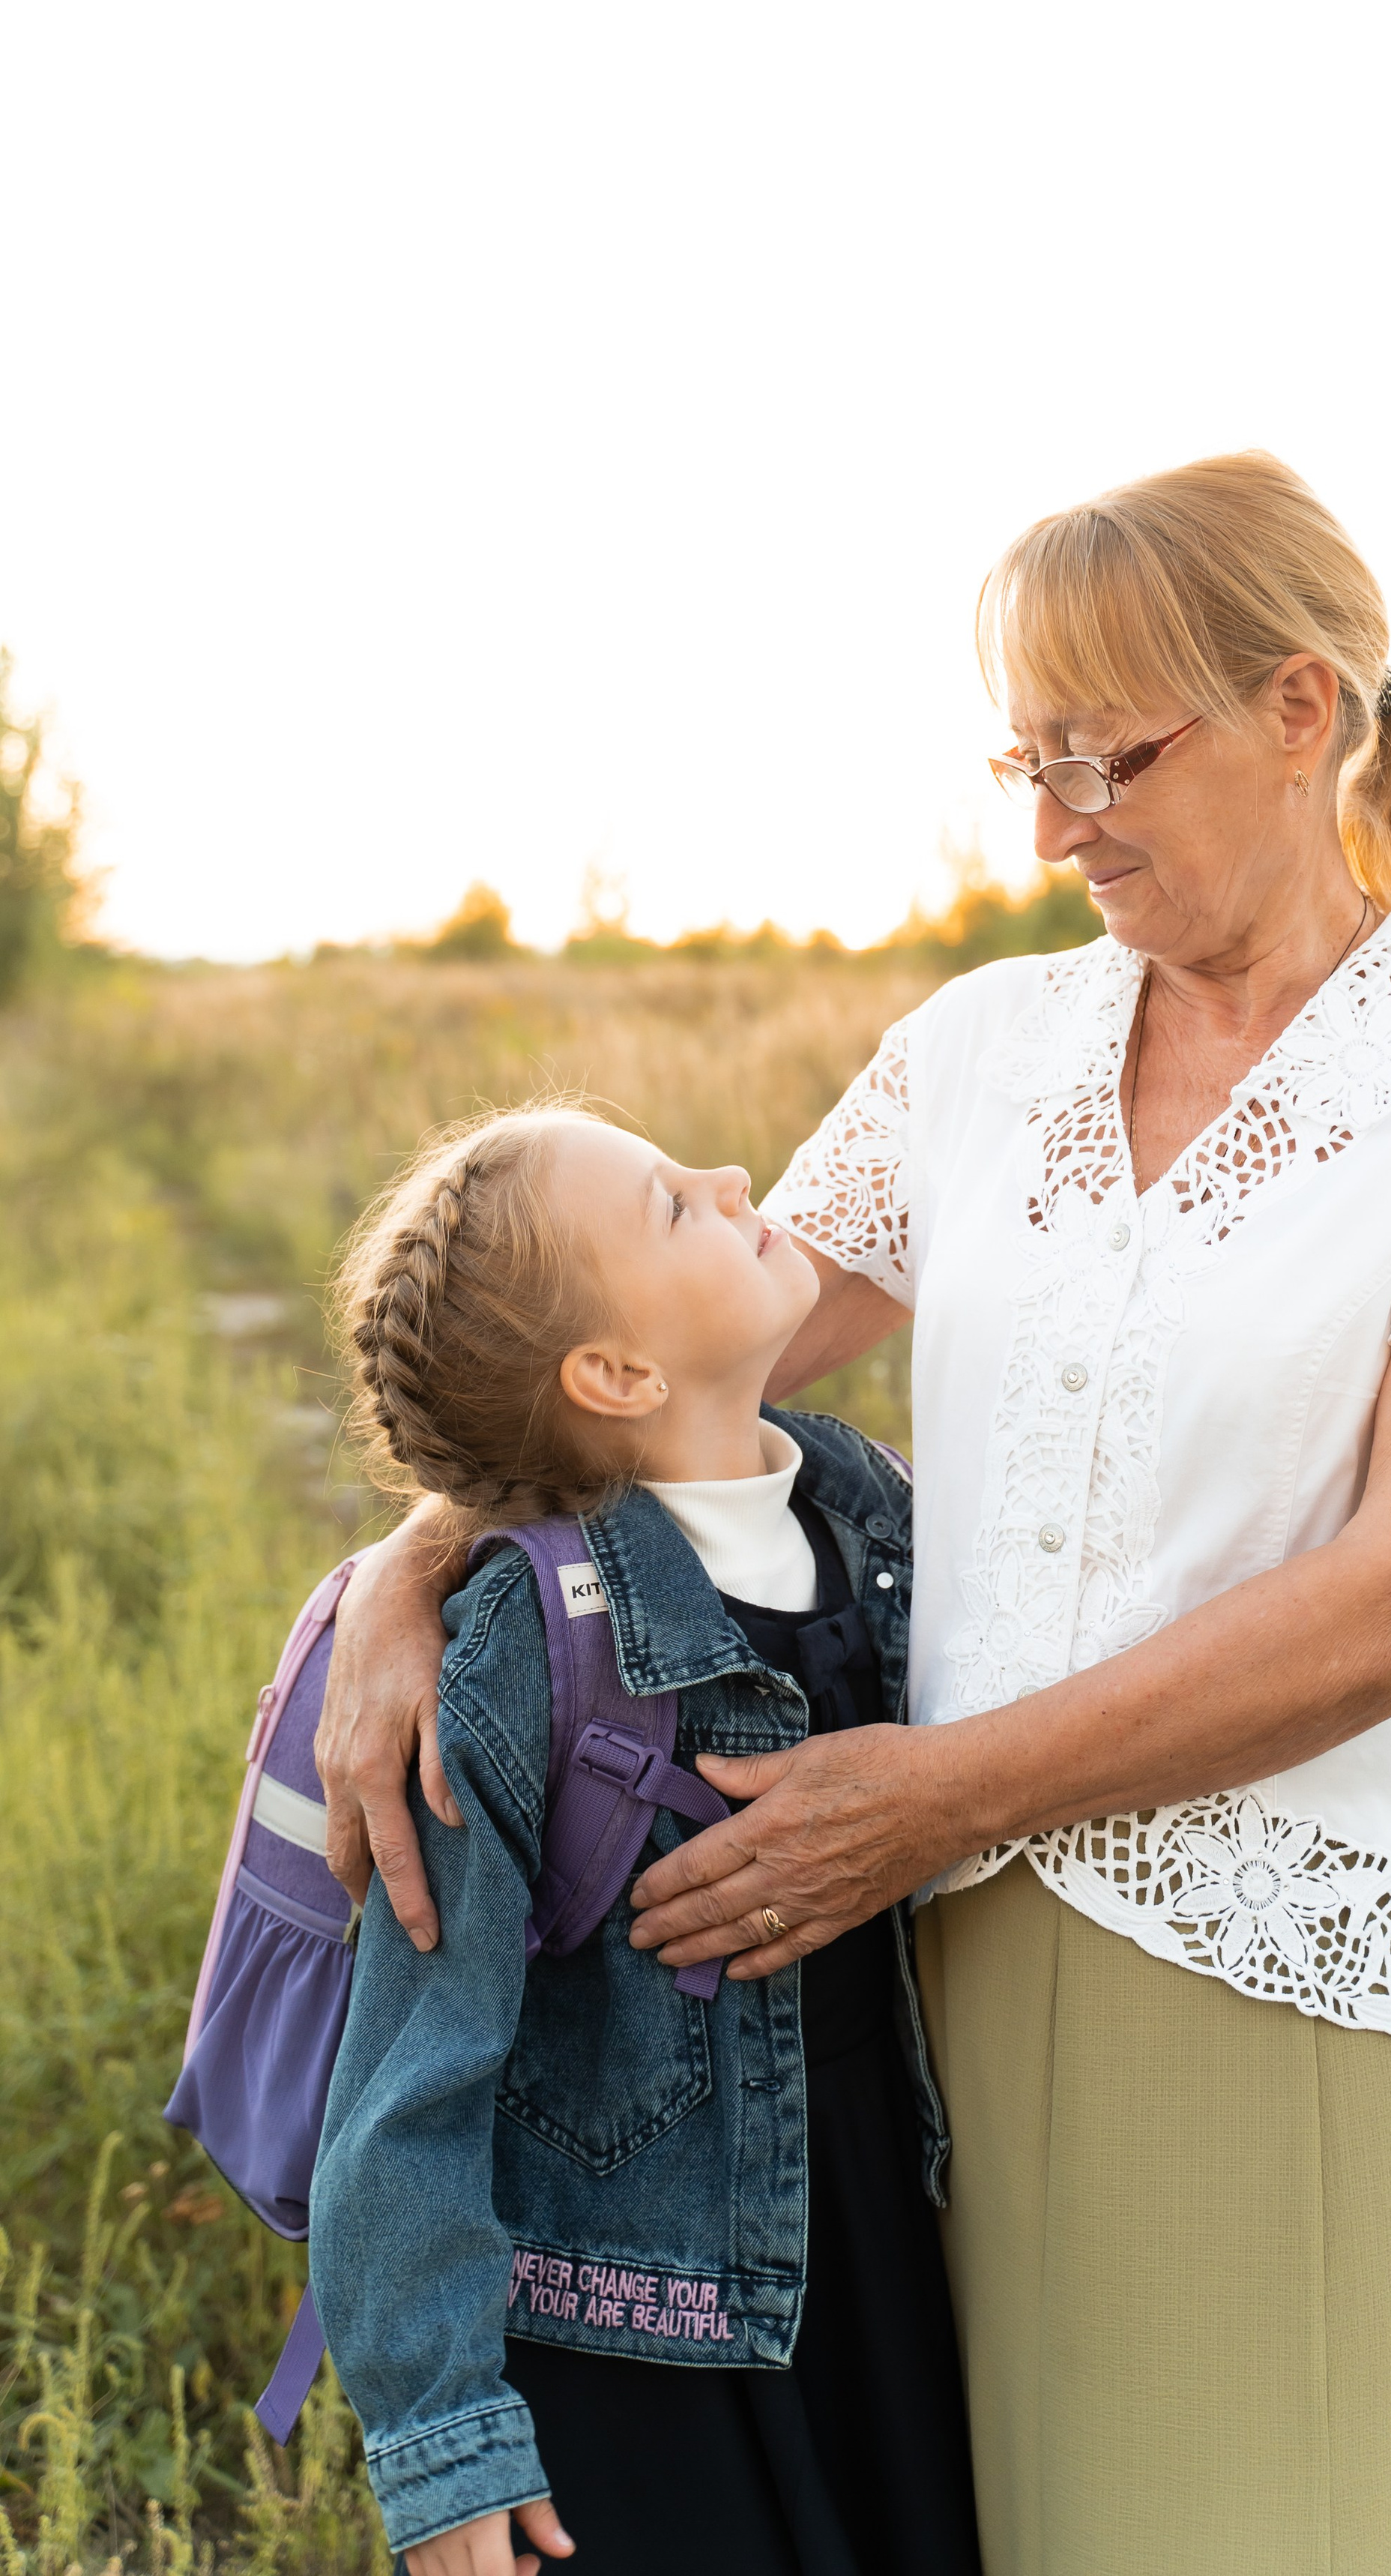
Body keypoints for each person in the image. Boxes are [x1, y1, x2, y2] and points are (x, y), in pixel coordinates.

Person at [321, 453, 1391, 2575]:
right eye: (1023, 765)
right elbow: (665, 1373)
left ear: (1301, 709)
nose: (1051, 829)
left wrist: (938, 1794)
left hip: (1283, 1967)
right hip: (927, 1998)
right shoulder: (981, 1050)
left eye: (1105, 757)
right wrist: (404, 1569)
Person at [307, 1104, 979, 2576]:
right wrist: (444, 2449)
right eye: (676, 1206)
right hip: (636, 2327)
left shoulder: (867, 1508)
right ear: (615, 1373)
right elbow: (406, 2084)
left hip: (870, 2241)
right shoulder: (513, 1653)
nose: (737, 1180)